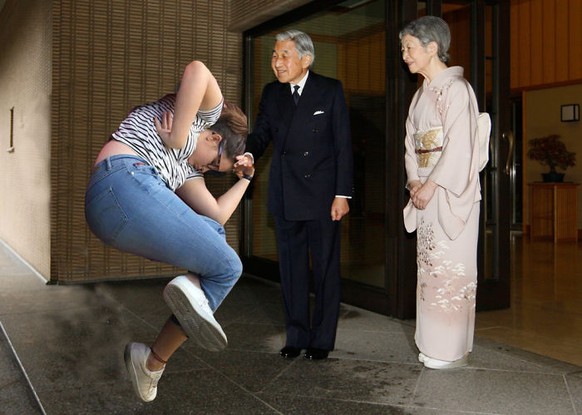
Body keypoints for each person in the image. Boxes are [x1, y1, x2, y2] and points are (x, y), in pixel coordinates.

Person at [84, 60, 255, 402]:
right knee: (227, 266)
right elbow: (198, 70)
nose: (204, 169)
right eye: (212, 163)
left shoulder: (185, 172)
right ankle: (186, 295)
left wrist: (247, 179)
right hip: (123, 179)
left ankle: (151, 363)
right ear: (214, 136)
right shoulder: (199, 118)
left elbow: (218, 215)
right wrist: (178, 136)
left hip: (119, 209)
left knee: (220, 253)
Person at [245, 30, 354, 361]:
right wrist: (249, 154)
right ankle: (296, 335)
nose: (277, 62)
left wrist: (342, 194)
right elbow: (261, 133)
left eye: (284, 56)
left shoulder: (329, 89)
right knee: (291, 271)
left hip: (323, 196)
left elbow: (342, 145)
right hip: (285, 192)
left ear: (306, 60)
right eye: (274, 56)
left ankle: (321, 339)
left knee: (324, 269)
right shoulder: (271, 93)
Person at [400, 16, 482, 369]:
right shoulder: (420, 95)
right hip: (427, 194)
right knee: (430, 270)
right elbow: (410, 146)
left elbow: (461, 146)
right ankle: (433, 342)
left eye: (409, 48)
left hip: (448, 194)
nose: (404, 55)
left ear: (432, 47)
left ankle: (448, 348)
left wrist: (431, 184)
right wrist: (415, 182)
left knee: (451, 269)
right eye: (403, 49)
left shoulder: (457, 89)